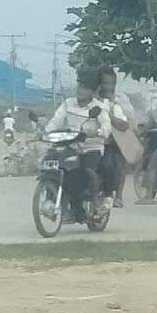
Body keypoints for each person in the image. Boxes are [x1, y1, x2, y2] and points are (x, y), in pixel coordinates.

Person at [46, 69, 113, 219]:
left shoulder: (99, 108)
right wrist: (46, 132)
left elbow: (106, 127)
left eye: (86, 88)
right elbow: (56, 121)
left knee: (87, 172)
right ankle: (52, 199)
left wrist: (98, 132)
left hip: (92, 148)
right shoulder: (68, 104)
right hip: (70, 147)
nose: (81, 90)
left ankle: (95, 203)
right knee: (52, 164)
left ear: (93, 91)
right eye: (80, 86)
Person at [98, 66, 136, 209]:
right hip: (99, 136)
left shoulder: (121, 99)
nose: (108, 87)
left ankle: (118, 196)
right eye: (105, 83)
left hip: (119, 135)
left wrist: (113, 107)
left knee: (120, 165)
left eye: (111, 83)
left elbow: (129, 118)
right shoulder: (93, 97)